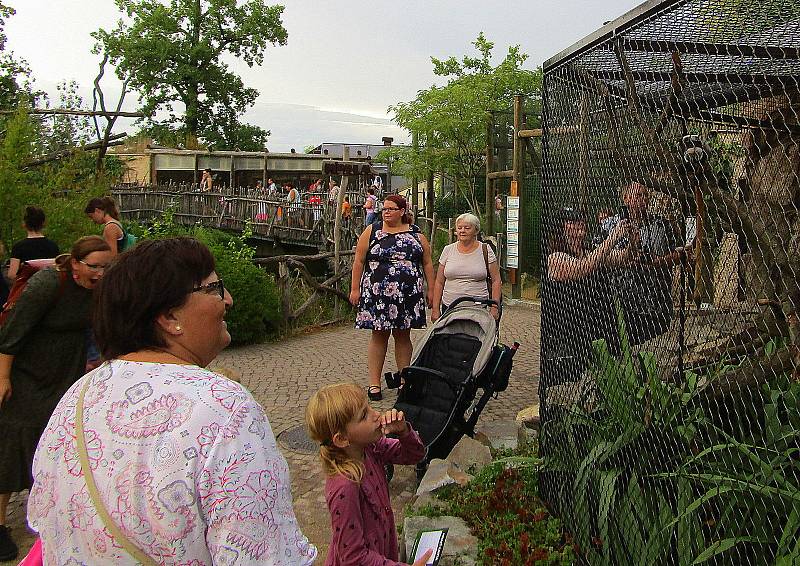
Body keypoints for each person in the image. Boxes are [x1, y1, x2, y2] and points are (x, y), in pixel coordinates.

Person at [27, 237, 317, 565]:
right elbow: (263, 555)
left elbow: (48, 524)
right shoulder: (224, 408)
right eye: (215, 288)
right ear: (168, 317)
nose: (229, 300)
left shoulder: (77, 397)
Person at [0, 236, 112, 561]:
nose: (101, 274)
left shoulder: (98, 290)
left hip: (66, 371)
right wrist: (4, 377)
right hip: (27, 372)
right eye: (94, 267)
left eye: (106, 267)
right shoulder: (50, 282)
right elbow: (12, 333)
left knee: (54, 443)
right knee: (11, 440)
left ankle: (45, 511)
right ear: (75, 263)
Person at [305, 382, 430, 566]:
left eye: (369, 407)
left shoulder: (371, 448)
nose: (376, 414)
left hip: (382, 553)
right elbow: (353, 557)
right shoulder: (345, 487)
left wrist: (403, 431)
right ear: (342, 439)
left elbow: (415, 454)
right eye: (364, 415)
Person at [350, 194, 434, 401]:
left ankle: (405, 381)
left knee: (403, 336)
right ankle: (374, 384)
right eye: (384, 209)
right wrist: (355, 289)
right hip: (378, 293)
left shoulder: (416, 235)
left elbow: (428, 263)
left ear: (402, 211)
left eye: (391, 209)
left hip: (407, 295)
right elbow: (359, 261)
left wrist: (431, 289)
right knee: (379, 336)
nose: (386, 212)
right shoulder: (372, 232)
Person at [605, 182, 686, 345]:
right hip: (623, 301)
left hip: (656, 302)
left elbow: (679, 253)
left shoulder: (661, 224)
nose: (644, 199)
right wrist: (624, 260)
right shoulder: (610, 225)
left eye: (646, 195)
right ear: (626, 198)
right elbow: (598, 257)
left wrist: (657, 262)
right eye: (638, 195)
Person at [431, 213, 502, 321]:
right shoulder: (448, 250)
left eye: (467, 228)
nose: (462, 231)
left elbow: (496, 280)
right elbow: (439, 281)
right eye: (459, 228)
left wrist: (494, 307)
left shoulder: (485, 250)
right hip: (449, 307)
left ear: (476, 230)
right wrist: (435, 309)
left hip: (478, 308)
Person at [7, 206, 59, 280]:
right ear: (43, 223)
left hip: (27, 288)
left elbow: (12, 274)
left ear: (24, 224)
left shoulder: (18, 247)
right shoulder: (53, 246)